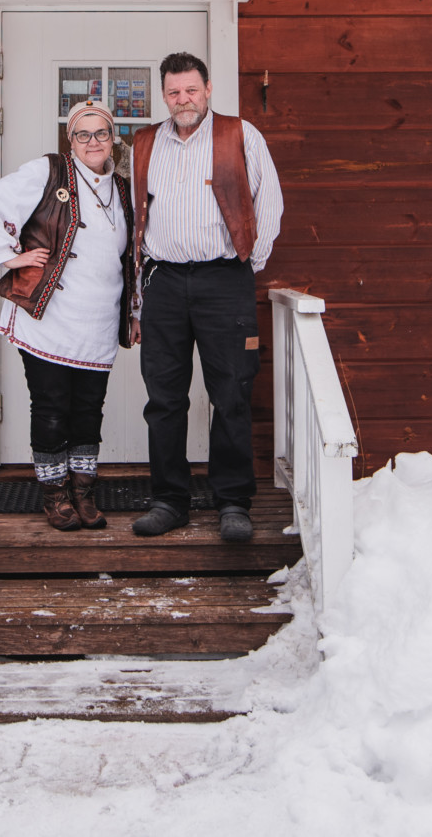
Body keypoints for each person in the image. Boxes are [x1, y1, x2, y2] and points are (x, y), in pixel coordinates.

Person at [129, 53, 284, 542]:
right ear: (164, 95)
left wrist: (243, 266)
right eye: (174, 92)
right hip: (164, 284)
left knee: (232, 393)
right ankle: (168, 499)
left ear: (208, 88)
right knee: (164, 398)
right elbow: (138, 213)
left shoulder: (240, 135)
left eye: (191, 90)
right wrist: (139, 291)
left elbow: (269, 203)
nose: (183, 100)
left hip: (224, 281)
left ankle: (233, 502)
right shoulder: (145, 143)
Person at [0, 102, 134, 531]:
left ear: (113, 138)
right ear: (70, 139)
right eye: (84, 134)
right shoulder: (50, 171)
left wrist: (135, 310)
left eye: (102, 134)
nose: (93, 142)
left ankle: (83, 491)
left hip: (97, 318)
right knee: (51, 407)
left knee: (88, 409)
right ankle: (55, 493)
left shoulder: (122, 188)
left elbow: (133, 257)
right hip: (49, 317)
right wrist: (11, 256)